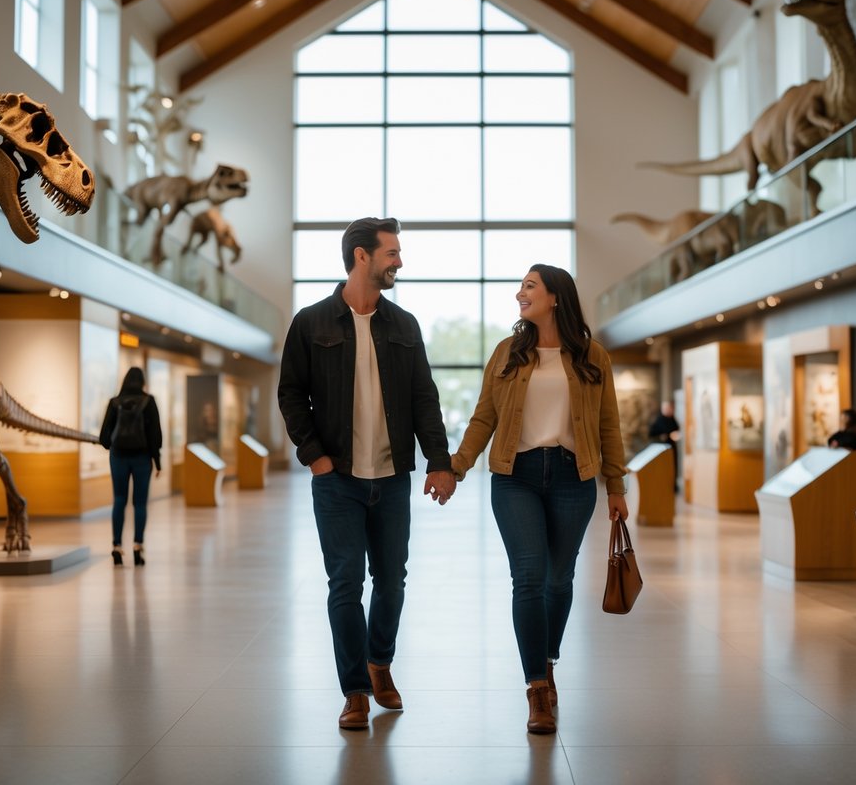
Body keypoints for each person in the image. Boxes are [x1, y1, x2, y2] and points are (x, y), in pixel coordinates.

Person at [278, 216, 456, 731]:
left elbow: (425, 399)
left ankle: (380, 661)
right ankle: (355, 690)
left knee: (392, 582)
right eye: (392, 252)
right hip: (337, 481)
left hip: (393, 476)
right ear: (362, 256)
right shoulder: (311, 322)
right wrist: (314, 455)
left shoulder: (404, 326)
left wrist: (439, 462)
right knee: (344, 583)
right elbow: (291, 393)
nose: (399, 260)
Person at [450, 264, 628, 735]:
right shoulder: (508, 353)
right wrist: (458, 464)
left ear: (555, 297)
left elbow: (609, 425)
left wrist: (617, 487)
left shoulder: (593, 357)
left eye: (529, 287)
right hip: (516, 476)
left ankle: (547, 660)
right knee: (528, 576)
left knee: (559, 578)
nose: (519, 294)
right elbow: (484, 417)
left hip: (574, 476)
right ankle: (537, 688)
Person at [99, 366, 163, 567]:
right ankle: (137, 546)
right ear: (143, 382)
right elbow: (155, 436)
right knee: (140, 503)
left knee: (119, 499)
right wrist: (157, 461)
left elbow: (104, 437)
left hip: (118, 457)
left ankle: (117, 547)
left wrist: (113, 445)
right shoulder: (148, 402)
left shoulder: (114, 403)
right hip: (142, 458)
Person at [648, 400, 682, 491]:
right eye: (666, 408)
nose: (668, 410)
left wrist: (675, 434)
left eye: (669, 408)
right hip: (661, 449)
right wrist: (663, 435)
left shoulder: (673, 419)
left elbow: (677, 429)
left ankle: (673, 485)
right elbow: (652, 433)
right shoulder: (659, 420)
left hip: (672, 447)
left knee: (673, 467)